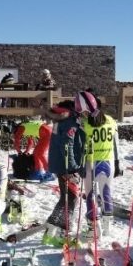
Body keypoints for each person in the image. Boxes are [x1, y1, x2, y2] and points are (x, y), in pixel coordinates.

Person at [41, 99, 86, 246]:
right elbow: (67, 144)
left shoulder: (61, 119)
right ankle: (61, 233)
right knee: (71, 199)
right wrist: (72, 168)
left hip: (59, 163)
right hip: (65, 166)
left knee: (66, 198)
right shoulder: (69, 121)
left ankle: (50, 230)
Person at [79, 90, 122, 237]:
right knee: (106, 194)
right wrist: (118, 163)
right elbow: (116, 143)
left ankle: (93, 228)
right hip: (108, 161)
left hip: (90, 162)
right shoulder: (111, 120)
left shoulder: (84, 124)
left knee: (90, 194)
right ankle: (106, 228)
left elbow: (79, 145)